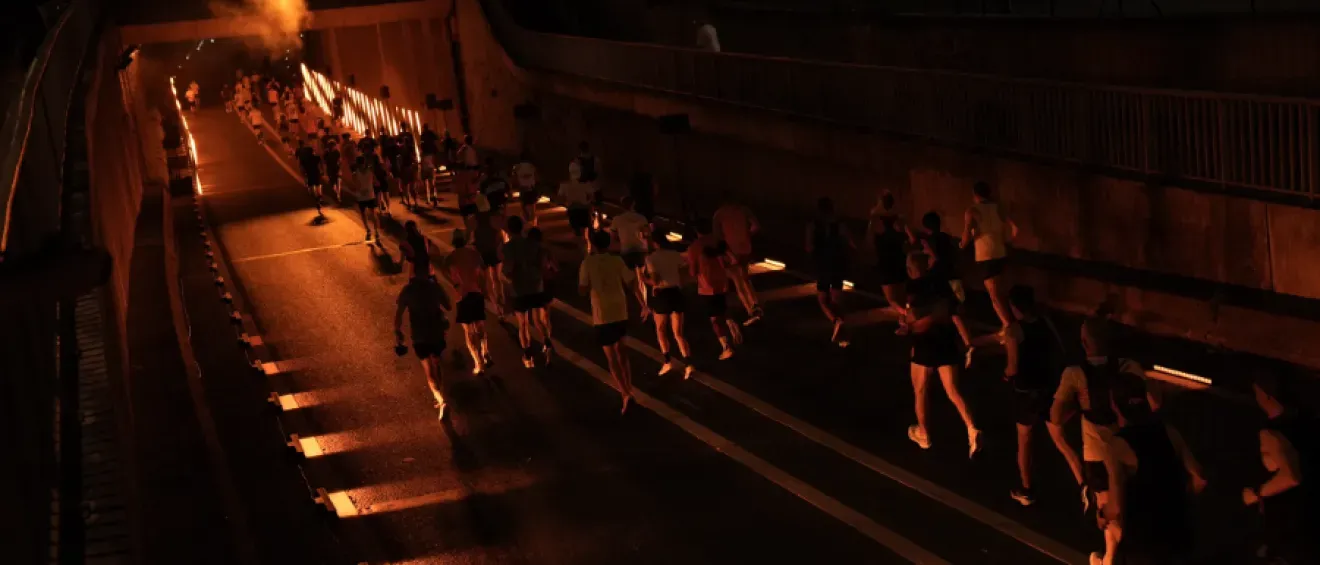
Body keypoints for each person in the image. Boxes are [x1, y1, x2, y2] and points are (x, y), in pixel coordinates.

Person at [1093, 371, 1206, 565]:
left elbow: (1116, 507)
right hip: (1179, 536)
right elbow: (1200, 477)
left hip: (1145, 545)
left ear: (1115, 405)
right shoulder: (1168, 431)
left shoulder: (1116, 446)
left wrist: (1102, 515)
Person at [1049, 318, 1146, 524]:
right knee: (1132, 500)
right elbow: (1155, 402)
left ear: (1084, 343)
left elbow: (1055, 417)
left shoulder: (1074, 374)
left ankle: (1112, 541)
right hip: (1130, 448)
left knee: (1108, 511)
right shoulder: (1128, 367)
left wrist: (1081, 404)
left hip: (1097, 454)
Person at [904, 252, 980, 458]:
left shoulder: (914, 288)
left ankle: (924, 433)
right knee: (953, 390)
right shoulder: (941, 283)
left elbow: (914, 319)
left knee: (920, 390)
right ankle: (972, 428)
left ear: (910, 269)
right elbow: (955, 314)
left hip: (925, 345)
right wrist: (968, 343)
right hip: (946, 341)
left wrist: (908, 327)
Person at [1244, 370, 1317, 564]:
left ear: (1267, 396)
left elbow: (1291, 476)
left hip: (1291, 529)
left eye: (1257, 393)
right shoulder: (1307, 424)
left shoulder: (1271, 433)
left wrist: (1257, 494)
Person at [1003, 286, 1065, 506]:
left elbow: (1012, 367)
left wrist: (1005, 375)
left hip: (1026, 392)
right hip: (1048, 387)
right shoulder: (1045, 321)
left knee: (1024, 441)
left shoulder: (1014, 330)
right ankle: (1083, 482)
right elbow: (1059, 349)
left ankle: (1026, 488)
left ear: (1014, 307)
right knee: (1061, 439)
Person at [579, 229, 636, 414]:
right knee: (622, 352)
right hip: (620, 310)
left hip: (601, 313)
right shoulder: (617, 260)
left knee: (611, 357)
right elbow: (631, 282)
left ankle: (624, 393)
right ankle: (630, 387)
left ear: (593, 245)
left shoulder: (587, 263)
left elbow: (582, 289)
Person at [393, 271, 452, 420]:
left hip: (420, 336)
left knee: (429, 370)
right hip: (437, 333)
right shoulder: (434, 287)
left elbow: (399, 314)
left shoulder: (408, 290)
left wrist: (398, 333)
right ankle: (441, 394)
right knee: (437, 362)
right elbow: (449, 306)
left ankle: (441, 400)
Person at [500, 216, 556, 368]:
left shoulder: (508, 248)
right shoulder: (532, 244)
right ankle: (547, 342)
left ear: (508, 230)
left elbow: (508, 270)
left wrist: (507, 278)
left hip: (519, 289)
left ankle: (528, 355)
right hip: (536, 286)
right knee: (539, 320)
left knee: (523, 323)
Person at [961, 180, 1016, 332]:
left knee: (994, 295)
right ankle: (1009, 323)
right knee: (1000, 291)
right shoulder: (999, 208)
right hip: (1001, 253)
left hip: (986, 255)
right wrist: (1008, 241)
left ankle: (1009, 328)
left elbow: (966, 236)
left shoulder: (972, 211)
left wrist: (962, 244)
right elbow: (1015, 228)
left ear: (975, 194)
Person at [688, 218, 744, 361]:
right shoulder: (718, 241)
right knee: (723, 309)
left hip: (707, 287)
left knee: (715, 319)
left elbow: (693, 272)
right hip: (723, 283)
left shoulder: (694, 247)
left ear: (696, 231)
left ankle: (726, 347)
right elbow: (733, 260)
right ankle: (730, 321)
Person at [645, 226, 693, 378]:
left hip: (661, 294)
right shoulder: (674, 255)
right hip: (676, 293)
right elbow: (684, 272)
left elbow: (655, 280)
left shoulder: (651, 258)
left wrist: (643, 278)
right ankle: (688, 363)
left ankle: (667, 361)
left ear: (654, 242)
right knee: (678, 332)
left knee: (661, 330)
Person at [805, 197, 854, 347]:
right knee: (837, 298)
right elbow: (850, 243)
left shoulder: (813, 225)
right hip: (838, 262)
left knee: (822, 298)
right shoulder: (840, 224)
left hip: (822, 264)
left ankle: (835, 321)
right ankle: (843, 334)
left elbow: (809, 246)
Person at [443, 230, 492, 375]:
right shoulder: (474, 254)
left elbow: (444, 272)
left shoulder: (450, 258)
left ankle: (478, 363)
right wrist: (485, 289)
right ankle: (485, 351)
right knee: (480, 325)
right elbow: (484, 272)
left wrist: (455, 283)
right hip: (476, 292)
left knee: (469, 331)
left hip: (462, 296)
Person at [712, 190, 763, 325]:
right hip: (745, 248)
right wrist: (746, 234)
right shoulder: (744, 210)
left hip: (731, 251)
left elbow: (717, 237)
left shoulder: (719, 214)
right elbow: (756, 226)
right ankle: (755, 304)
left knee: (737, 281)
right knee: (745, 277)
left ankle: (751, 310)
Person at [610, 196, 652, 319]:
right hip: (641, 250)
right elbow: (647, 234)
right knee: (641, 278)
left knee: (632, 281)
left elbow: (613, 237)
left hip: (627, 251)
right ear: (633, 205)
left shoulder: (617, 219)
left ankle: (644, 306)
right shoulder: (641, 218)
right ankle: (645, 304)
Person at [868, 192, 909, 318]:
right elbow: (911, 238)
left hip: (885, 261)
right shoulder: (899, 219)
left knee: (892, 299)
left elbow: (869, 242)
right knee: (902, 297)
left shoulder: (876, 220)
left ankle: (909, 314)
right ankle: (905, 321)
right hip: (900, 260)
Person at [472, 196, 506, 315]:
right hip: (494, 250)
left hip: (483, 252)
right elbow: (500, 233)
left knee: (488, 281)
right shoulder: (494, 217)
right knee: (497, 278)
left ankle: (496, 307)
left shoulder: (475, 219)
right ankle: (501, 300)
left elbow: (472, 236)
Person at [558, 160, 598, 251]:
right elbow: (592, 196)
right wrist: (587, 203)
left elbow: (560, 198)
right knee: (585, 231)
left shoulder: (564, 185)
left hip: (572, 209)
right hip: (584, 209)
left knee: (577, 232)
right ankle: (588, 249)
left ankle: (581, 250)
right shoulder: (585, 184)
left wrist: (567, 203)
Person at [347, 157, 380, 241]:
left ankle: (368, 230)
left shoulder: (355, 174)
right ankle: (376, 231)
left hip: (361, 197)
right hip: (370, 195)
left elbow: (355, 186)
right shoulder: (370, 171)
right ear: (364, 162)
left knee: (363, 215)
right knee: (373, 214)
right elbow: (376, 182)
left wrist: (360, 189)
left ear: (357, 164)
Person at [294, 139, 325, 216]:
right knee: (318, 186)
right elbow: (321, 163)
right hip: (316, 174)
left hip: (309, 174)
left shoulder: (305, 159)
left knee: (311, 188)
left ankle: (317, 199)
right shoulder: (316, 157)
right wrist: (322, 171)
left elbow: (301, 166)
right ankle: (320, 197)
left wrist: (303, 173)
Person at [514, 151, 539, 225]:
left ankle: (526, 222)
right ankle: (534, 223)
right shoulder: (532, 166)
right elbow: (536, 176)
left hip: (523, 188)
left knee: (523, 206)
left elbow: (514, 178)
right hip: (531, 188)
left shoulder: (517, 167)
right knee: (533, 206)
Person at [420, 125, 441, 205]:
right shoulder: (431, 134)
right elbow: (436, 138)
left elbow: (422, 160)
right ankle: (435, 197)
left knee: (426, 184)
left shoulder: (423, 136)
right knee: (432, 183)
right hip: (431, 166)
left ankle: (428, 199)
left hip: (425, 167)